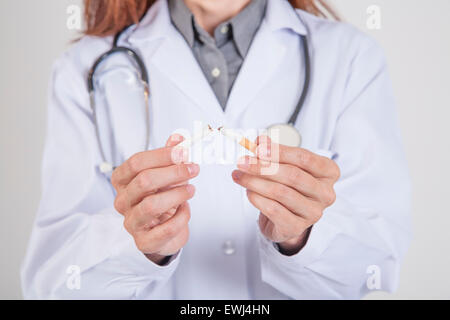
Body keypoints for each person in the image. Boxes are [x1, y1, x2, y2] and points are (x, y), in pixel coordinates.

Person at [21, 0, 411, 299]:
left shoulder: (350, 57)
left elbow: (375, 264)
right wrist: (135, 244)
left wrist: (303, 236)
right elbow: (54, 278)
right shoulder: (86, 68)